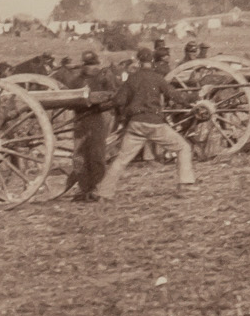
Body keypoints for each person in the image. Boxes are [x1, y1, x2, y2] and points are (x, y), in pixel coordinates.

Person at [97, 51, 197, 199]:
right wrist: (195, 97)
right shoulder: (158, 79)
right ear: (152, 62)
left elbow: (118, 101)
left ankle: (104, 193)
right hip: (154, 124)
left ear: (138, 62)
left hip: (136, 124)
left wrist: (102, 106)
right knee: (183, 147)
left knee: (121, 159)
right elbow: (176, 96)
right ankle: (184, 186)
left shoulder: (132, 79)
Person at [68, 51, 116, 202]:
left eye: (93, 64)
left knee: (96, 155)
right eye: (88, 65)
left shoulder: (103, 79)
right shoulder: (76, 81)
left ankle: (96, 187)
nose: (91, 68)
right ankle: (82, 188)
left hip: (97, 119)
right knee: (80, 156)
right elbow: (69, 101)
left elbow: (112, 96)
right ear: (83, 65)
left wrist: (100, 107)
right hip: (81, 121)